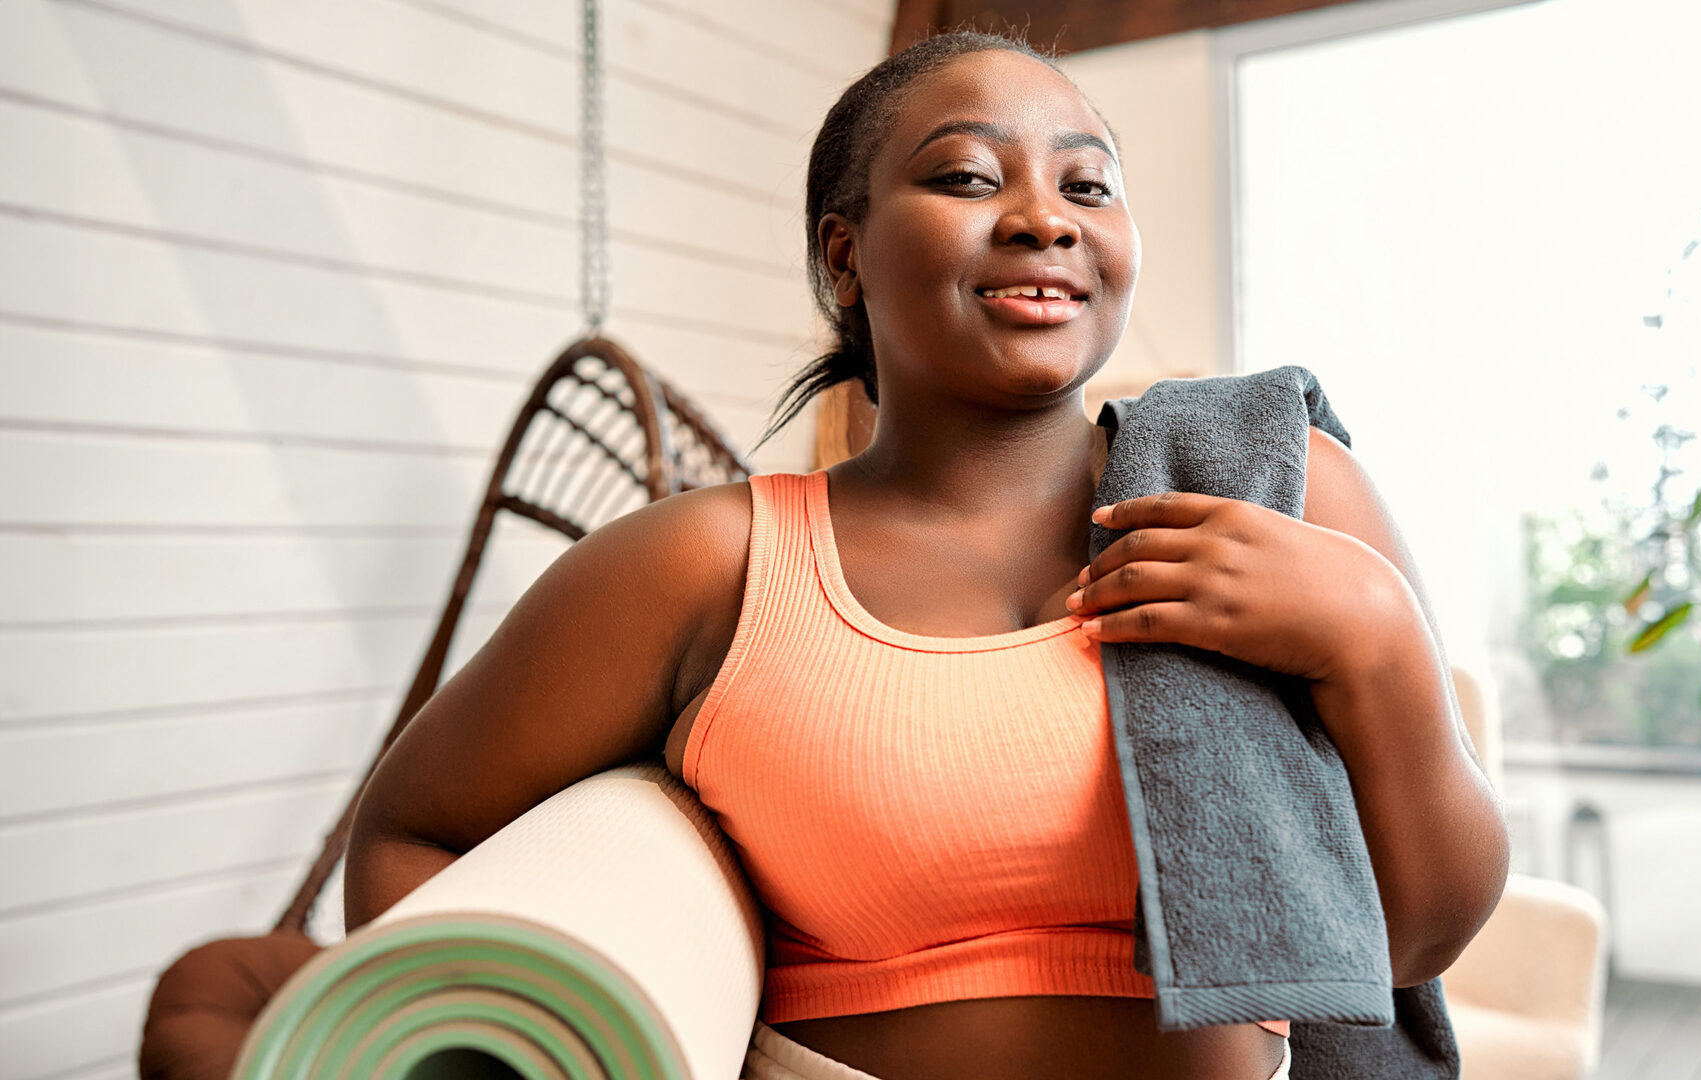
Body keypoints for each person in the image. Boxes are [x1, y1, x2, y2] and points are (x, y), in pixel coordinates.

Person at [345, 28, 1506, 1080]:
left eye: (1087, 185)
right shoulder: (705, 567)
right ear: (843, 258)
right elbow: (412, 834)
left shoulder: (1278, 495)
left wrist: (1376, 631)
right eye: (966, 175)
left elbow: (1414, 939)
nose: (1045, 217)